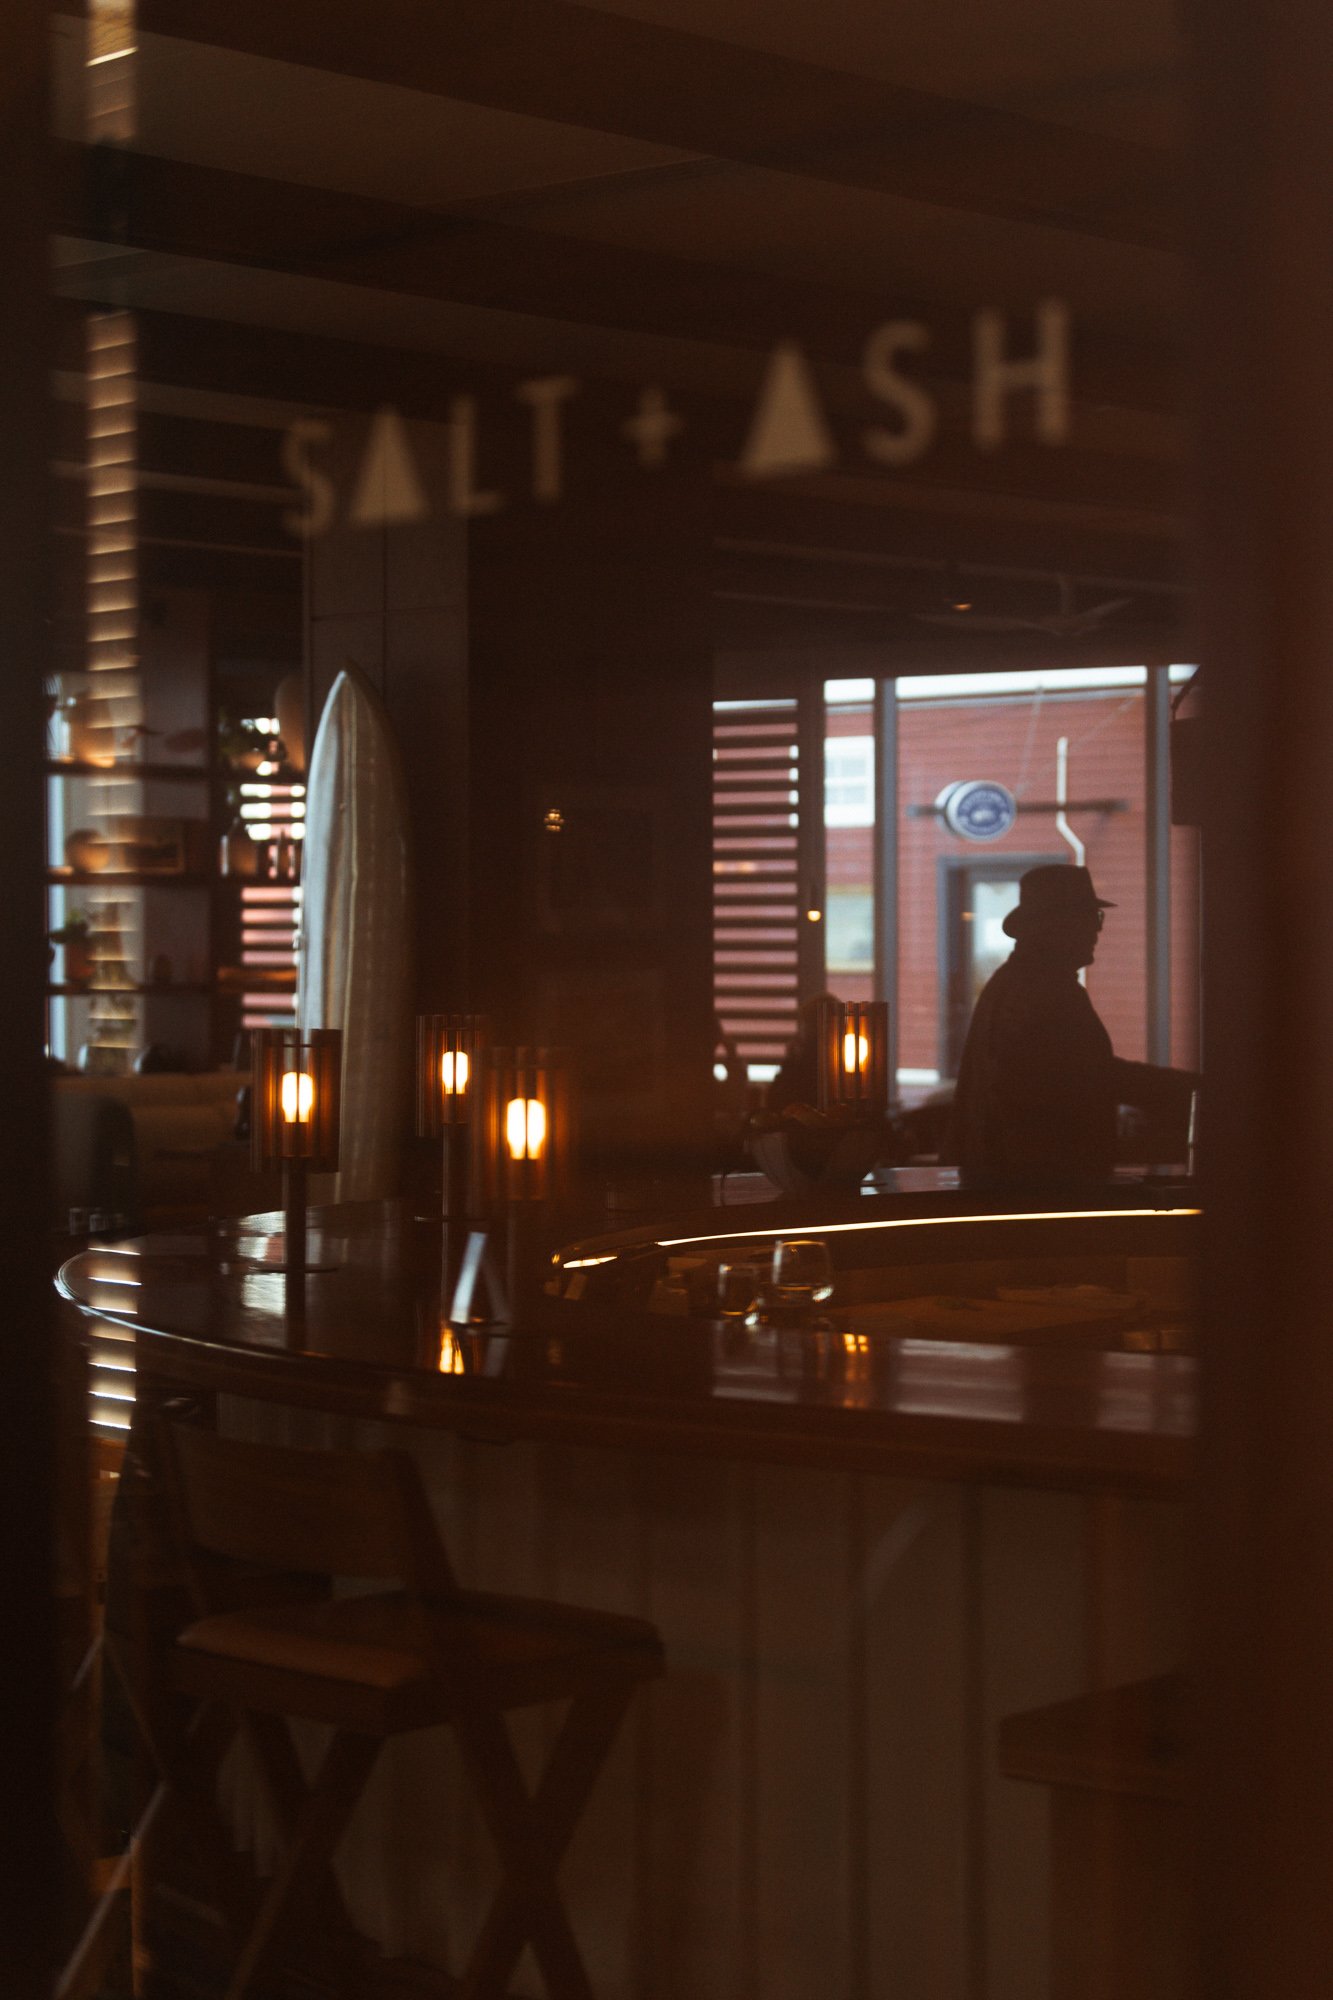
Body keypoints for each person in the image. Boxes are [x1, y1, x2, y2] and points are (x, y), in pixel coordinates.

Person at [946, 864, 1196, 1193]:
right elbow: (1095, 1075)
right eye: (1088, 919)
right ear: (1055, 926)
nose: (1096, 931)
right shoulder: (1048, 990)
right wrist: (1194, 1090)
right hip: (1040, 1188)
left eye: (1097, 919)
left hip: (1013, 1184)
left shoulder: (1012, 982)